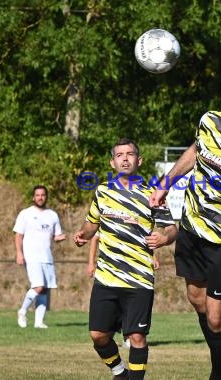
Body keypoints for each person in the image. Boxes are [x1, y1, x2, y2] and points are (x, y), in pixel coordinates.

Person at [150, 76, 221, 380]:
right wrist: (166, 182)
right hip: (191, 227)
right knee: (197, 300)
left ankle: (219, 371)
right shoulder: (210, 122)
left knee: (216, 316)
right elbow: (196, 151)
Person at [74, 138, 177, 380]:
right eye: (120, 154)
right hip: (106, 277)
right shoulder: (102, 192)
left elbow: (172, 229)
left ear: (139, 160)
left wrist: (164, 238)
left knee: (137, 337)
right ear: (112, 162)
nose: (125, 158)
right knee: (98, 335)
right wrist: (83, 235)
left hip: (139, 278)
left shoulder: (153, 194)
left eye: (130, 154)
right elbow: (91, 225)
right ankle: (119, 373)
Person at [14, 185, 66, 329]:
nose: (40, 197)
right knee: (38, 286)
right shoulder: (25, 214)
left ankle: (39, 322)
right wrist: (19, 253)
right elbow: (18, 235)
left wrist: (61, 238)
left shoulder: (52, 215)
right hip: (31, 256)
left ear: (46, 197)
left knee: (45, 289)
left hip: (46, 256)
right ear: (33, 197)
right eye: (37, 195)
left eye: (43, 195)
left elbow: (56, 236)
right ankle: (22, 310)